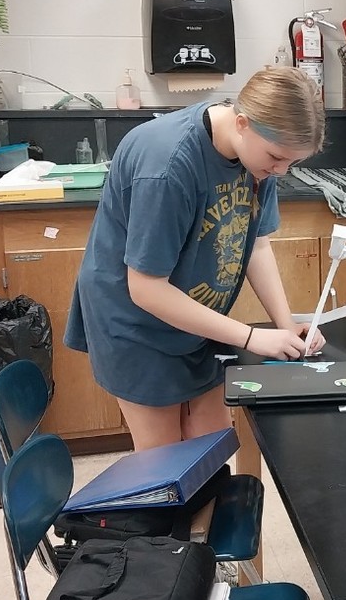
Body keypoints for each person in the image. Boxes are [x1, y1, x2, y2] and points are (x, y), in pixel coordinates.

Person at [65, 65, 326, 451]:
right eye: (277, 157)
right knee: (166, 462)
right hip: (137, 325)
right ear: (242, 123)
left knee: (211, 448)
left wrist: (286, 326)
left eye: (292, 162)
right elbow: (146, 289)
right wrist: (251, 337)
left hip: (198, 319)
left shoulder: (259, 162)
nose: (280, 171)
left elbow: (256, 244)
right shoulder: (168, 165)